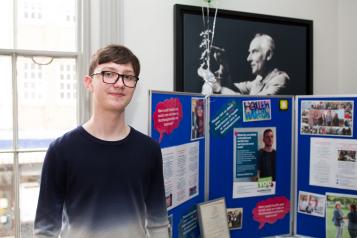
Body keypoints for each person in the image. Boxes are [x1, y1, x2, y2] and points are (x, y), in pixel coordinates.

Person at [34, 45, 169, 238]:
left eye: (128, 77)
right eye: (109, 74)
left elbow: (158, 224)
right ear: (89, 83)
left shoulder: (149, 150)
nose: (119, 83)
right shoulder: (61, 150)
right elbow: (45, 231)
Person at [204, 33, 289, 95]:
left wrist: (220, 89)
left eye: (254, 52)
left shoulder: (280, 79)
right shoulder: (258, 80)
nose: (248, 59)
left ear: (268, 55)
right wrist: (224, 65)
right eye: (249, 53)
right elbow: (232, 88)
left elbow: (252, 106)